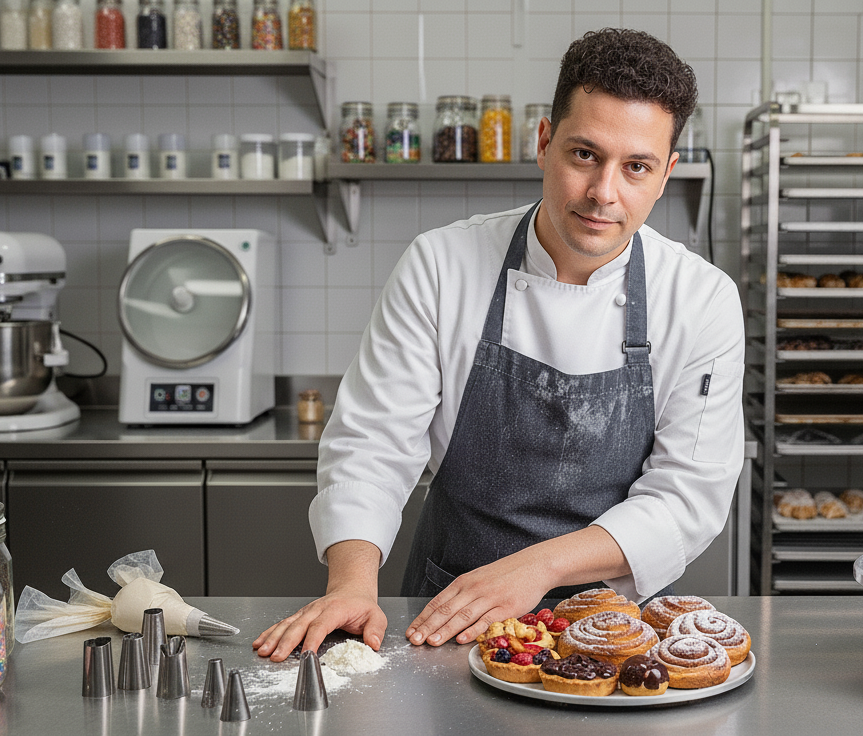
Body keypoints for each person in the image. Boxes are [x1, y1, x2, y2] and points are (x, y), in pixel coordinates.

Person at [254, 28, 744, 661]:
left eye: (637, 167)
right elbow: (373, 443)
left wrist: (535, 569)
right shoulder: (442, 264)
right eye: (584, 155)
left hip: (620, 635)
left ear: (666, 173)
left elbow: (686, 498)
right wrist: (351, 583)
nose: (604, 192)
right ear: (544, 143)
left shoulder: (701, 299)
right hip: (450, 615)